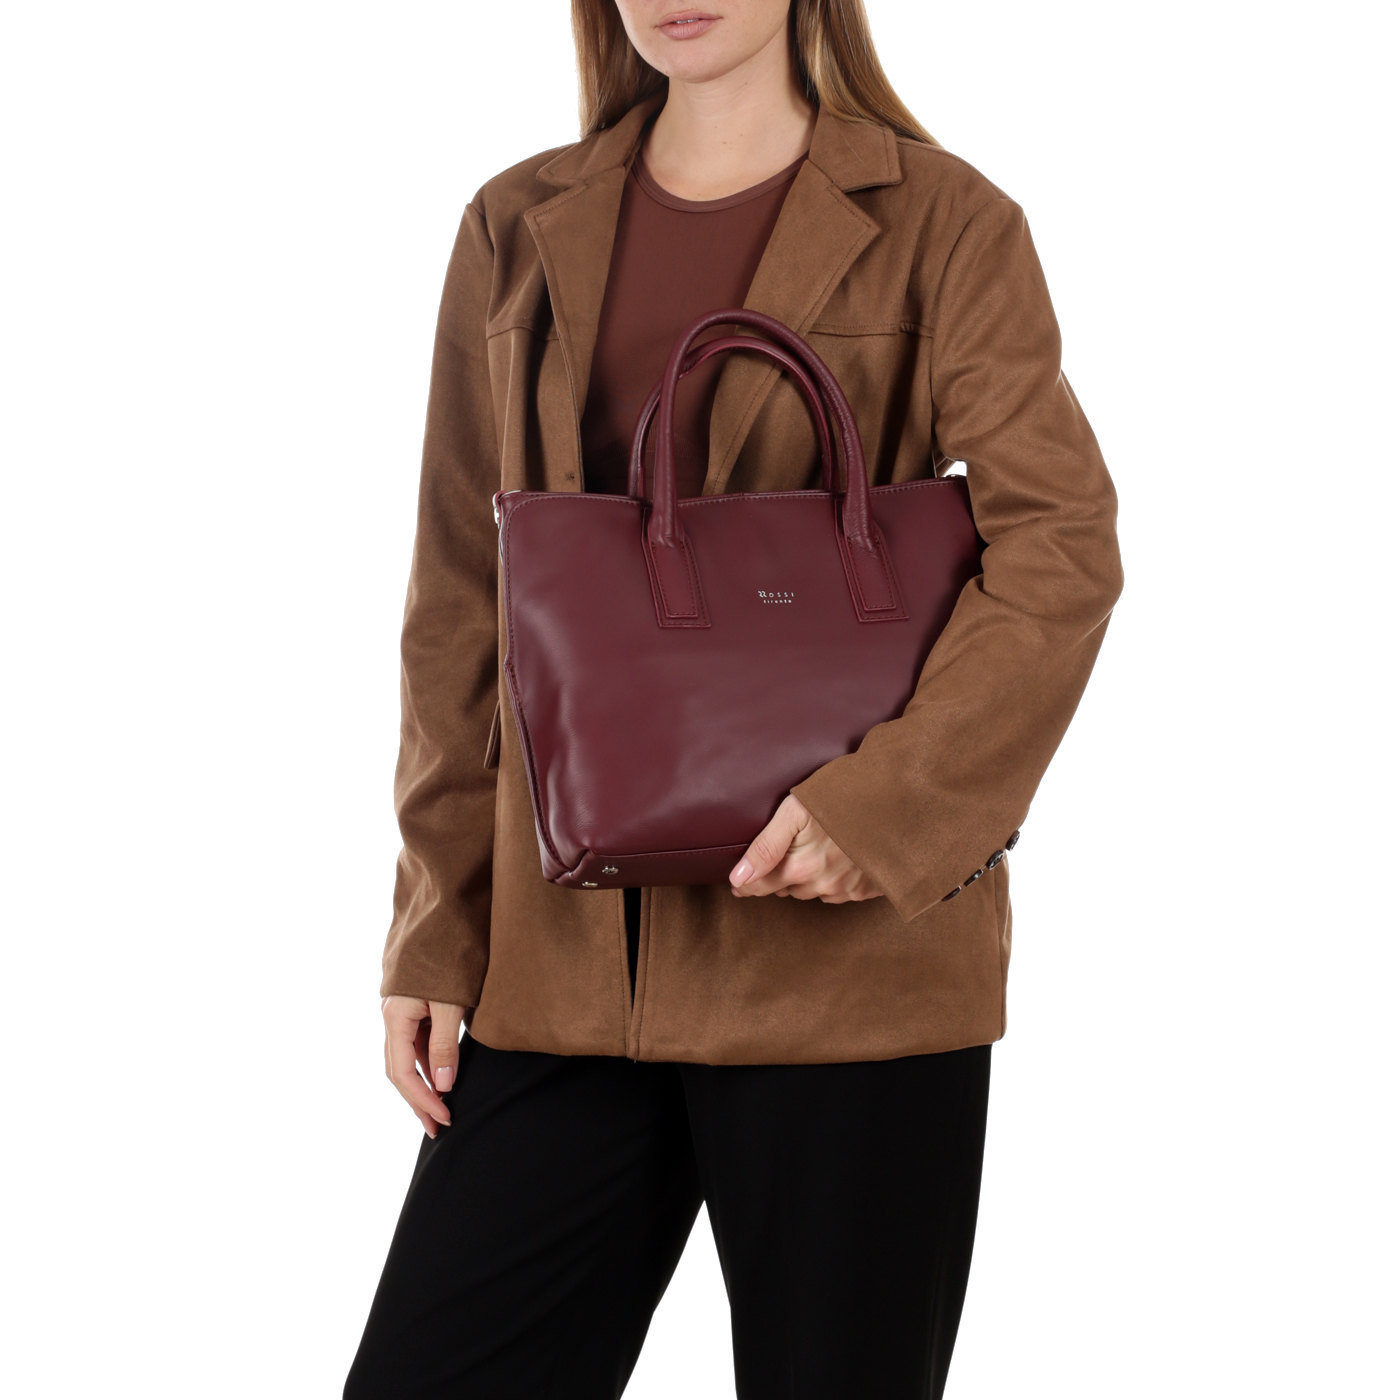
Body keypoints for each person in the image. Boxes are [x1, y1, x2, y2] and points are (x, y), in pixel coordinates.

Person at [345, 1, 1122, 1395]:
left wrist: (886, 809)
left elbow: (1060, 550)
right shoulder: (514, 224)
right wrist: (435, 922)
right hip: (564, 971)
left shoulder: (948, 223)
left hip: (848, 978)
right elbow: (462, 598)